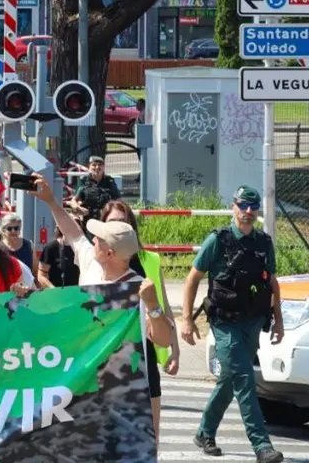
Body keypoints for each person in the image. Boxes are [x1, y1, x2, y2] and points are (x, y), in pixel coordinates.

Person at [179, 186, 285, 463]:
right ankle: (262, 445)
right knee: (244, 380)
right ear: (233, 207)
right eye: (243, 206)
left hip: (253, 323)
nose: (248, 212)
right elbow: (193, 278)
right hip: (225, 324)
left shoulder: (264, 242)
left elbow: (272, 283)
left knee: (229, 380)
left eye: (253, 206)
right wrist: (187, 319)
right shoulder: (218, 240)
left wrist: (279, 322)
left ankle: (204, 432)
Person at [83, 217, 175, 443]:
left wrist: (153, 305)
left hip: (130, 390)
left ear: (109, 253)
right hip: (94, 387)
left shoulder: (139, 289)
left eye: (99, 239)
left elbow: (163, 339)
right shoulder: (92, 280)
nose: (93, 240)